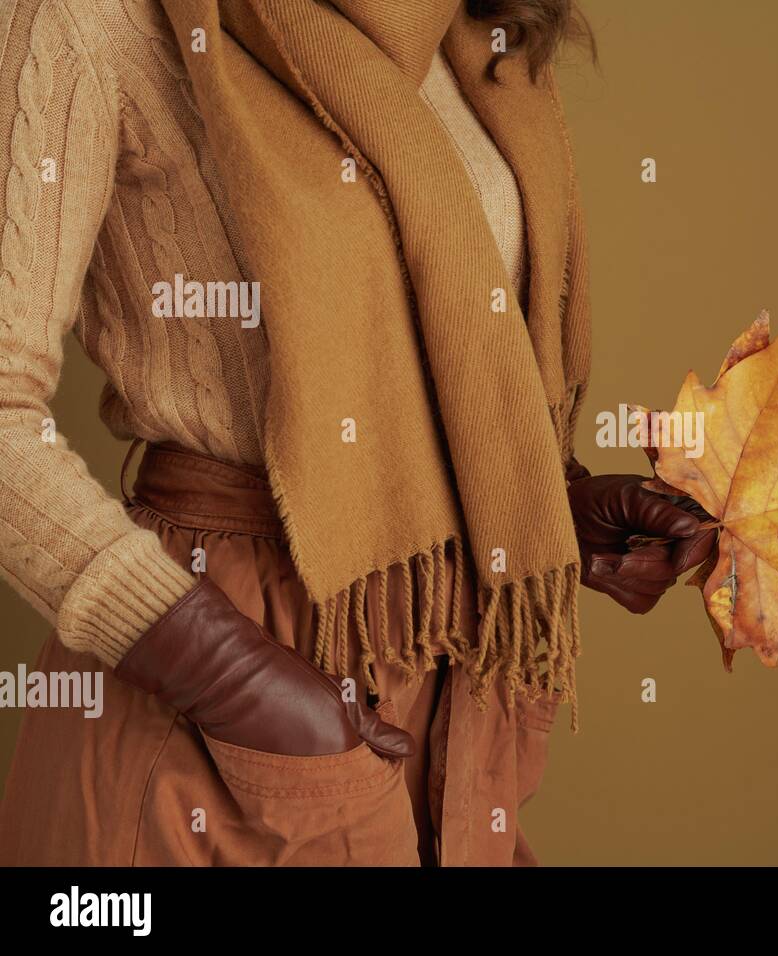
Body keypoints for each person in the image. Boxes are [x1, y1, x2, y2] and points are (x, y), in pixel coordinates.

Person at [0, 0, 712, 866]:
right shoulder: (89, 17)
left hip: (452, 701)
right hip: (212, 690)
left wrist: (544, 503)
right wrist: (224, 673)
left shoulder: (480, 30)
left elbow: (424, 359)